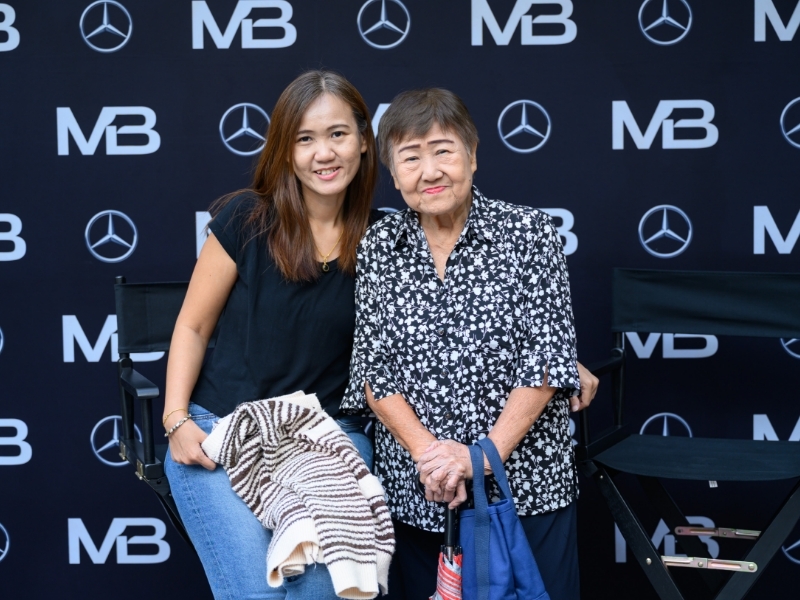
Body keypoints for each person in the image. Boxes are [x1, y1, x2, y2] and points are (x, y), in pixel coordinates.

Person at [343, 88, 593, 600]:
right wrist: (431, 457)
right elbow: (373, 371)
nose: (429, 171)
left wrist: (480, 458)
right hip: (420, 492)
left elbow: (546, 360)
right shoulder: (379, 247)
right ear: (393, 174)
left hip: (525, 488)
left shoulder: (529, 234)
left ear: (473, 156)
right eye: (410, 158)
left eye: (443, 151)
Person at [162, 70, 380, 600]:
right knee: (257, 594)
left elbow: (451, 319)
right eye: (305, 139)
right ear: (285, 151)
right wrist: (176, 420)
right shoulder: (247, 218)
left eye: (338, 134)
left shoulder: (385, 237)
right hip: (222, 431)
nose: (324, 153)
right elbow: (192, 325)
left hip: (327, 438)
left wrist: (553, 360)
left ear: (363, 140)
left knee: (325, 591)